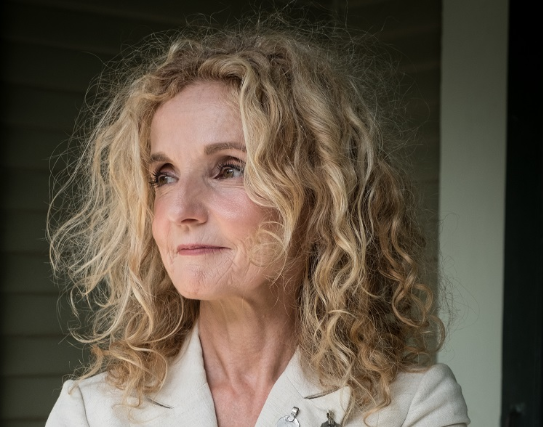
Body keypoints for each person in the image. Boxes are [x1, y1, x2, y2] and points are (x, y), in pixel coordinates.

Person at [46, 15, 469, 427]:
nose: (179, 210)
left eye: (228, 169)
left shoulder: (410, 406)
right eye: (165, 175)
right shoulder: (93, 411)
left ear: (321, 195)